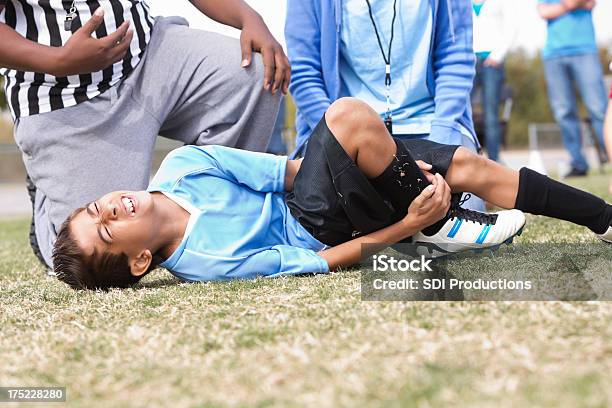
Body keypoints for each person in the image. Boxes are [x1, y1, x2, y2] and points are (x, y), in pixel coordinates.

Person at [52, 98, 612, 290]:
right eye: (106, 228)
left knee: (467, 165)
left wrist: (385, 168)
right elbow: (321, 259)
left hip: (323, 187)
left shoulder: (182, 164)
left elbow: (290, 172)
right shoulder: (207, 263)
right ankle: (440, 228)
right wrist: (409, 223)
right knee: (345, 114)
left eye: (96, 205)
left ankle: (603, 217)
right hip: (320, 225)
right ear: (141, 260)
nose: (110, 206)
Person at [0, 0, 289, 269]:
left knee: (254, 72)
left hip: (148, 53)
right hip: (63, 95)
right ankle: (46, 202)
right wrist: (58, 61)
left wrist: (249, 17)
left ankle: (214, 212)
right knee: (87, 254)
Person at [285, 0, 486, 211]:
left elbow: (455, 59)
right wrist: (341, 148)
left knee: (464, 227)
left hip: (433, 126)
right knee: (321, 232)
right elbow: (305, 74)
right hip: (347, 139)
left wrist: (439, 152)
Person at [538, 0, 609, 177]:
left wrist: (561, 6)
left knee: (599, 108)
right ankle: (578, 163)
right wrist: (570, 5)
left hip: (585, 50)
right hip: (553, 54)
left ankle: (610, 154)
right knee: (563, 111)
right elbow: (543, 11)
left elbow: (590, 3)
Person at [471, 0, 517, 162]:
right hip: (467, 60)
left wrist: (498, 55)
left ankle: (494, 160)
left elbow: (511, 26)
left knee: (491, 114)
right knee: (462, 112)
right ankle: (468, 155)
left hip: (492, 61)